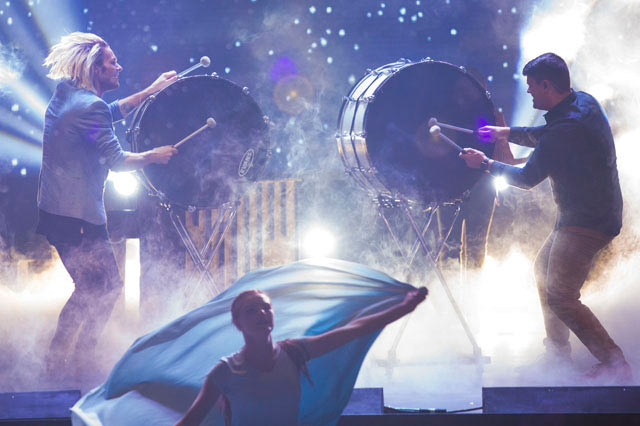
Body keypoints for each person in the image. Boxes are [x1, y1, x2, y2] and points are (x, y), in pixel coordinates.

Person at [459, 52, 631, 383]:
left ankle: (615, 362)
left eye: (532, 86)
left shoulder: (563, 130)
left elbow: (526, 178)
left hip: (587, 222)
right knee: (543, 272)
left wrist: (484, 163)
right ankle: (558, 354)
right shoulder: (583, 103)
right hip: (586, 214)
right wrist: (505, 133)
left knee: (561, 296)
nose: (529, 92)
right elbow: (547, 134)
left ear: (547, 85)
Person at [37, 32, 179, 378]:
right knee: (103, 287)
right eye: (112, 62)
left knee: (92, 287)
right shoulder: (90, 107)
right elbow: (117, 160)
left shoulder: (67, 93)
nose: (119, 67)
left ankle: (61, 358)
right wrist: (153, 155)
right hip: (77, 217)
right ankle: (72, 357)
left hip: (55, 212)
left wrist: (150, 91)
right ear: (96, 70)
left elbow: (105, 114)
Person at [175, 286, 427, 426]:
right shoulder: (225, 371)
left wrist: (404, 307)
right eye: (251, 310)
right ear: (237, 322)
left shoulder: (294, 352)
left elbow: (354, 330)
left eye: (266, 307)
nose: (261, 313)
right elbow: (189, 422)